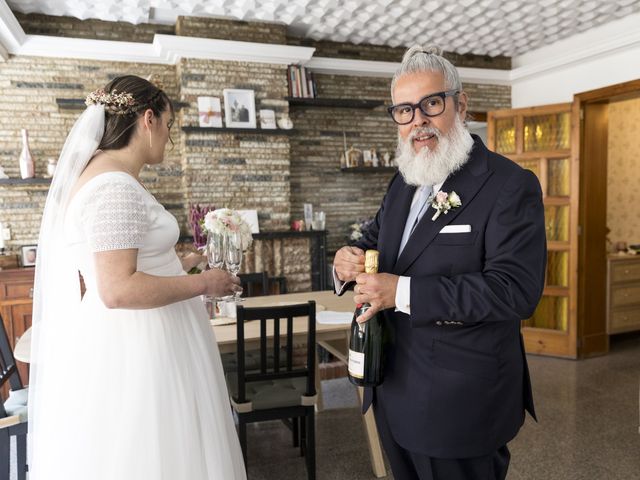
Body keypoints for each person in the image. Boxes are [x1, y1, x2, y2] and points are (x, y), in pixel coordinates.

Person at [334, 46, 546, 480]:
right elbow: (375, 243)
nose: (419, 121)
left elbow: (515, 291)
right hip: (392, 388)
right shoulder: (402, 181)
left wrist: (401, 291)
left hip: (460, 403)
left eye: (431, 103)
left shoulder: (510, 186)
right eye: (405, 111)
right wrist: (345, 261)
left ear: (460, 104)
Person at [28, 75, 247, 479]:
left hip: (131, 332)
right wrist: (205, 283)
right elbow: (117, 288)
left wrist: (185, 262)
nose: (169, 137)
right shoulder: (116, 187)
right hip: (144, 343)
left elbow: (124, 266)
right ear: (148, 119)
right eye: (168, 126)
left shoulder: (102, 174)